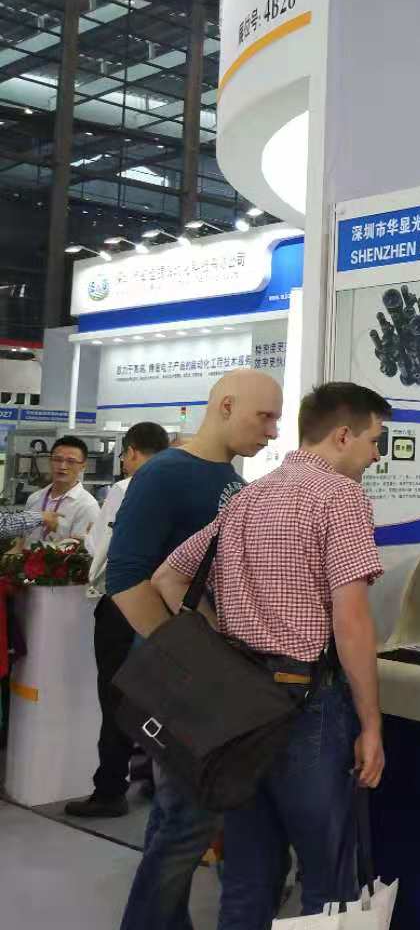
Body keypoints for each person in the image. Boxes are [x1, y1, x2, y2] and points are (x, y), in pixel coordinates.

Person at [123, 381, 391, 928]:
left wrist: (219, 640)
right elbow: (351, 622)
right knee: (326, 877)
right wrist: (371, 724)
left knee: (248, 875)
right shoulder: (341, 498)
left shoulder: (249, 496)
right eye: (375, 441)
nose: (376, 456)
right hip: (307, 707)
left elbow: (169, 577)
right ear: (343, 436)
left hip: (241, 714)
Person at [108, 370, 282, 930]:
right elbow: (125, 580)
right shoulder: (165, 474)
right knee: (189, 822)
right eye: (264, 416)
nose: (272, 431)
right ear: (226, 406)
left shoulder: (229, 479)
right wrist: (186, 666)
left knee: (177, 816)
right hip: (188, 680)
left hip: (209, 670)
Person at [64, 420, 171, 820]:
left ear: (131, 453)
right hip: (167, 606)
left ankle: (110, 788)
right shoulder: (181, 486)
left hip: (123, 602)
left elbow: (101, 546)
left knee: (115, 697)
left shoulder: (126, 489)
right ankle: (157, 779)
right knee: (160, 696)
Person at [24, 434, 101, 546]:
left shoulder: (87, 506)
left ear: (83, 466)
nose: (62, 466)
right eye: (57, 460)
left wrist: (58, 529)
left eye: (71, 461)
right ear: (50, 461)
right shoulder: (34, 498)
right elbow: (23, 541)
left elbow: (81, 551)